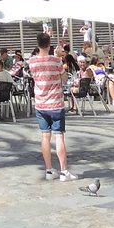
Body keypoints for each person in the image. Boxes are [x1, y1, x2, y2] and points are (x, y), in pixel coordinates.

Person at [29, 32, 77, 180]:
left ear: (37, 44)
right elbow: (64, 78)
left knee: (45, 136)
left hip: (40, 103)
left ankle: (49, 170)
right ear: (49, 44)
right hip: (55, 103)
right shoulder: (56, 61)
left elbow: (34, 77)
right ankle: (64, 171)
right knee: (59, 136)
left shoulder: (32, 61)